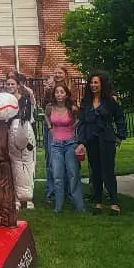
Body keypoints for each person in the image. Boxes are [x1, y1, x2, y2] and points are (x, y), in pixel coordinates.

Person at [77, 71, 127, 215]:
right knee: (95, 171)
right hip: (91, 139)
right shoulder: (86, 102)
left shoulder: (110, 101)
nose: (93, 85)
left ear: (102, 84)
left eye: (96, 82)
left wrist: (120, 135)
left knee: (108, 170)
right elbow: (82, 123)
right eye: (91, 82)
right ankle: (97, 202)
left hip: (106, 139)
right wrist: (81, 142)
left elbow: (120, 118)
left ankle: (114, 202)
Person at [45, 83, 86, 213]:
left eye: (62, 92)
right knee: (57, 176)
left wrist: (73, 127)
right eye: (57, 92)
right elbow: (46, 116)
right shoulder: (50, 107)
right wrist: (50, 128)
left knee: (73, 174)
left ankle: (79, 206)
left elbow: (81, 119)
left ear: (66, 94)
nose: (59, 95)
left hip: (70, 144)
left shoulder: (72, 108)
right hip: (55, 145)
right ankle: (58, 206)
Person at [9, 92, 37, 210]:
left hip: (24, 138)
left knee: (26, 167)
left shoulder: (26, 102)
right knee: (17, 167)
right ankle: (19, 198)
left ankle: (25, 198)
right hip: (16, 138)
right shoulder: (16, 122)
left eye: (12, 83)